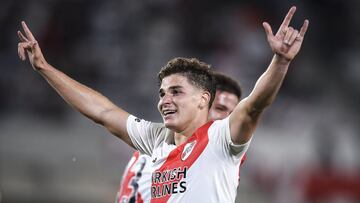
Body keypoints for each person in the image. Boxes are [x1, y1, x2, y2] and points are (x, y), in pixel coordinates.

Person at [17, 6, 308, 202]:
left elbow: (255, 105)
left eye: (176, 92)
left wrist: (280, 61)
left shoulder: (221, 139)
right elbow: (102, 112)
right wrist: (44, 67)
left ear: (203, 99)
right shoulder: (157, 140)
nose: (165, 101)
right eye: (162, 93)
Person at [115, 72, 242, 203]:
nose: (228, 118)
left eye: (233, 113)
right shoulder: (160, 152)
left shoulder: (221, 146)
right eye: (220, 108)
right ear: (202, 103)